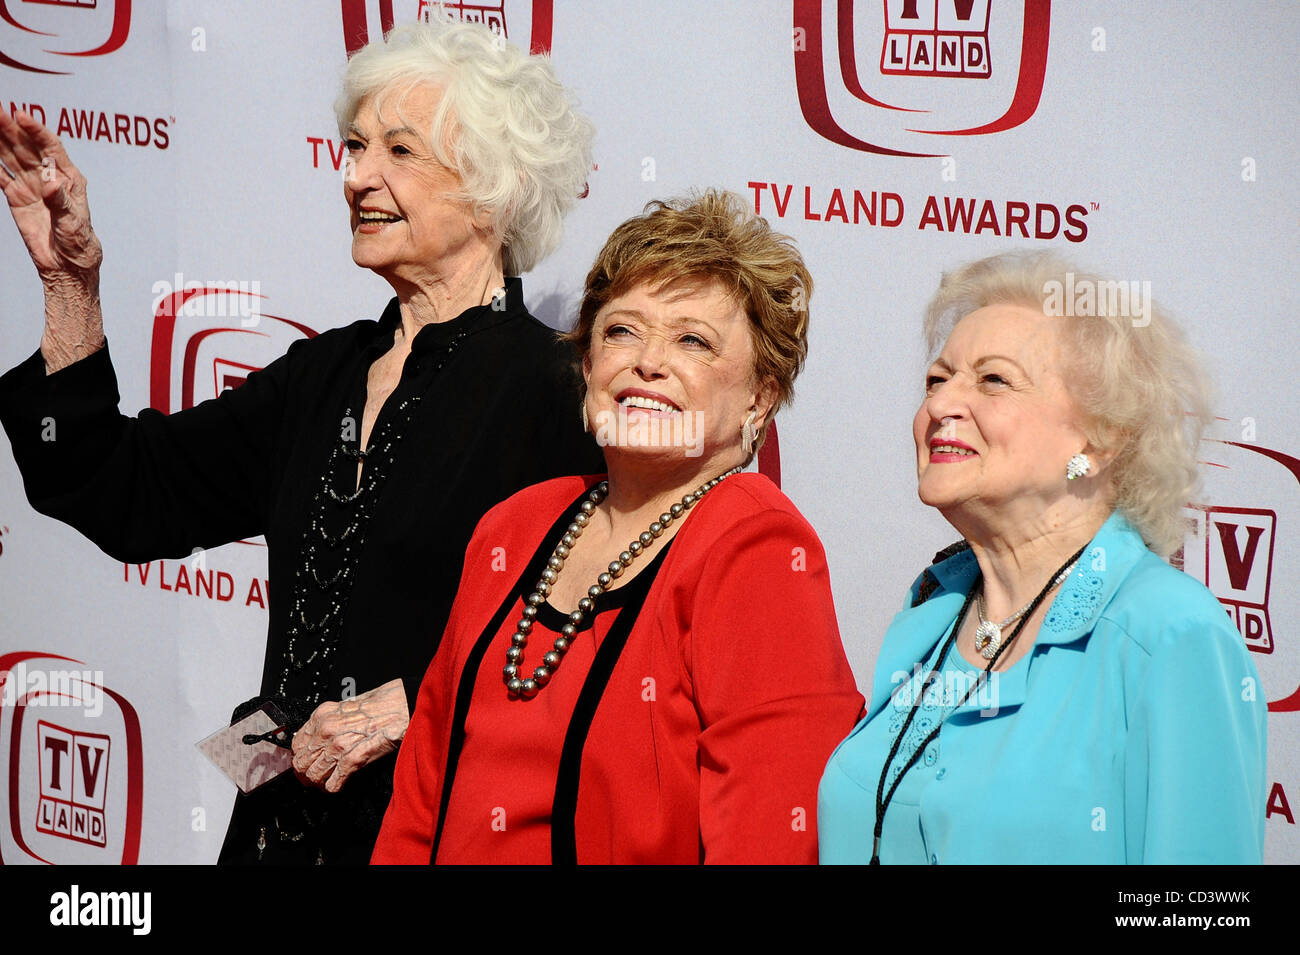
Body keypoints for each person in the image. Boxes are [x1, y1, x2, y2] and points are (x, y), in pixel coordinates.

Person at [0, 18, 603, 864]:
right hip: (272, 836)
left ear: (493, 187)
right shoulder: (321, 375)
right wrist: (70, 283)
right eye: (354, 147)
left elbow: (599, 640)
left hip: (440, 837)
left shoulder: (560, 391)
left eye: (399, 151)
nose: (357, 176)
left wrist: (418, 703)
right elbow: (120, 489)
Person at [372, 190, 864, 864]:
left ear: (760, 395)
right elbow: (422, 790)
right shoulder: (512, 527)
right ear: (587, 364)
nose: (647, 361)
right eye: (621, 330)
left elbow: (774, 835)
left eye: (693, 339)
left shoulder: (753, 545)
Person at [817, 250, 1267, 864]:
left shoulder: (1169, 634)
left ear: (1101, 436)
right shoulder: (932, 608)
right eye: (936, 379)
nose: (942, 405)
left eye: (993, 379)